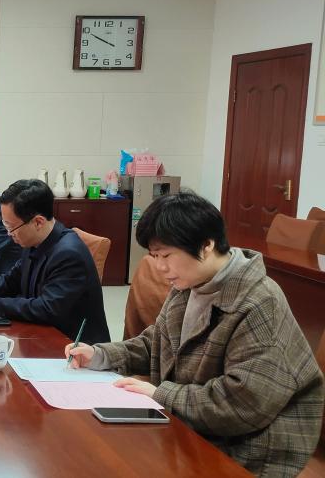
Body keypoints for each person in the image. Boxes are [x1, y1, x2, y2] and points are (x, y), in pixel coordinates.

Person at [65, 192, 323, 476]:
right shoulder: (190, 282)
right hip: (195, 423)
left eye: (166, 255)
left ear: (206, 245)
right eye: (154, 256)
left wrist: (163, 395)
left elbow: (244, 404)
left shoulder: (259, 302)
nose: (160, 267)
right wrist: (100, 354)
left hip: (251, 447)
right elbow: (157, 343)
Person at [0, 179, 110, 343]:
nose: (9, 234)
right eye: (5, 225)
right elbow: (11, 281)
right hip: (39, 335)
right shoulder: (34, 240)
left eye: (11, 227)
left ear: (38, 222)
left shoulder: (68, 254)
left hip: (70, 345)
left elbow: (47, 308)